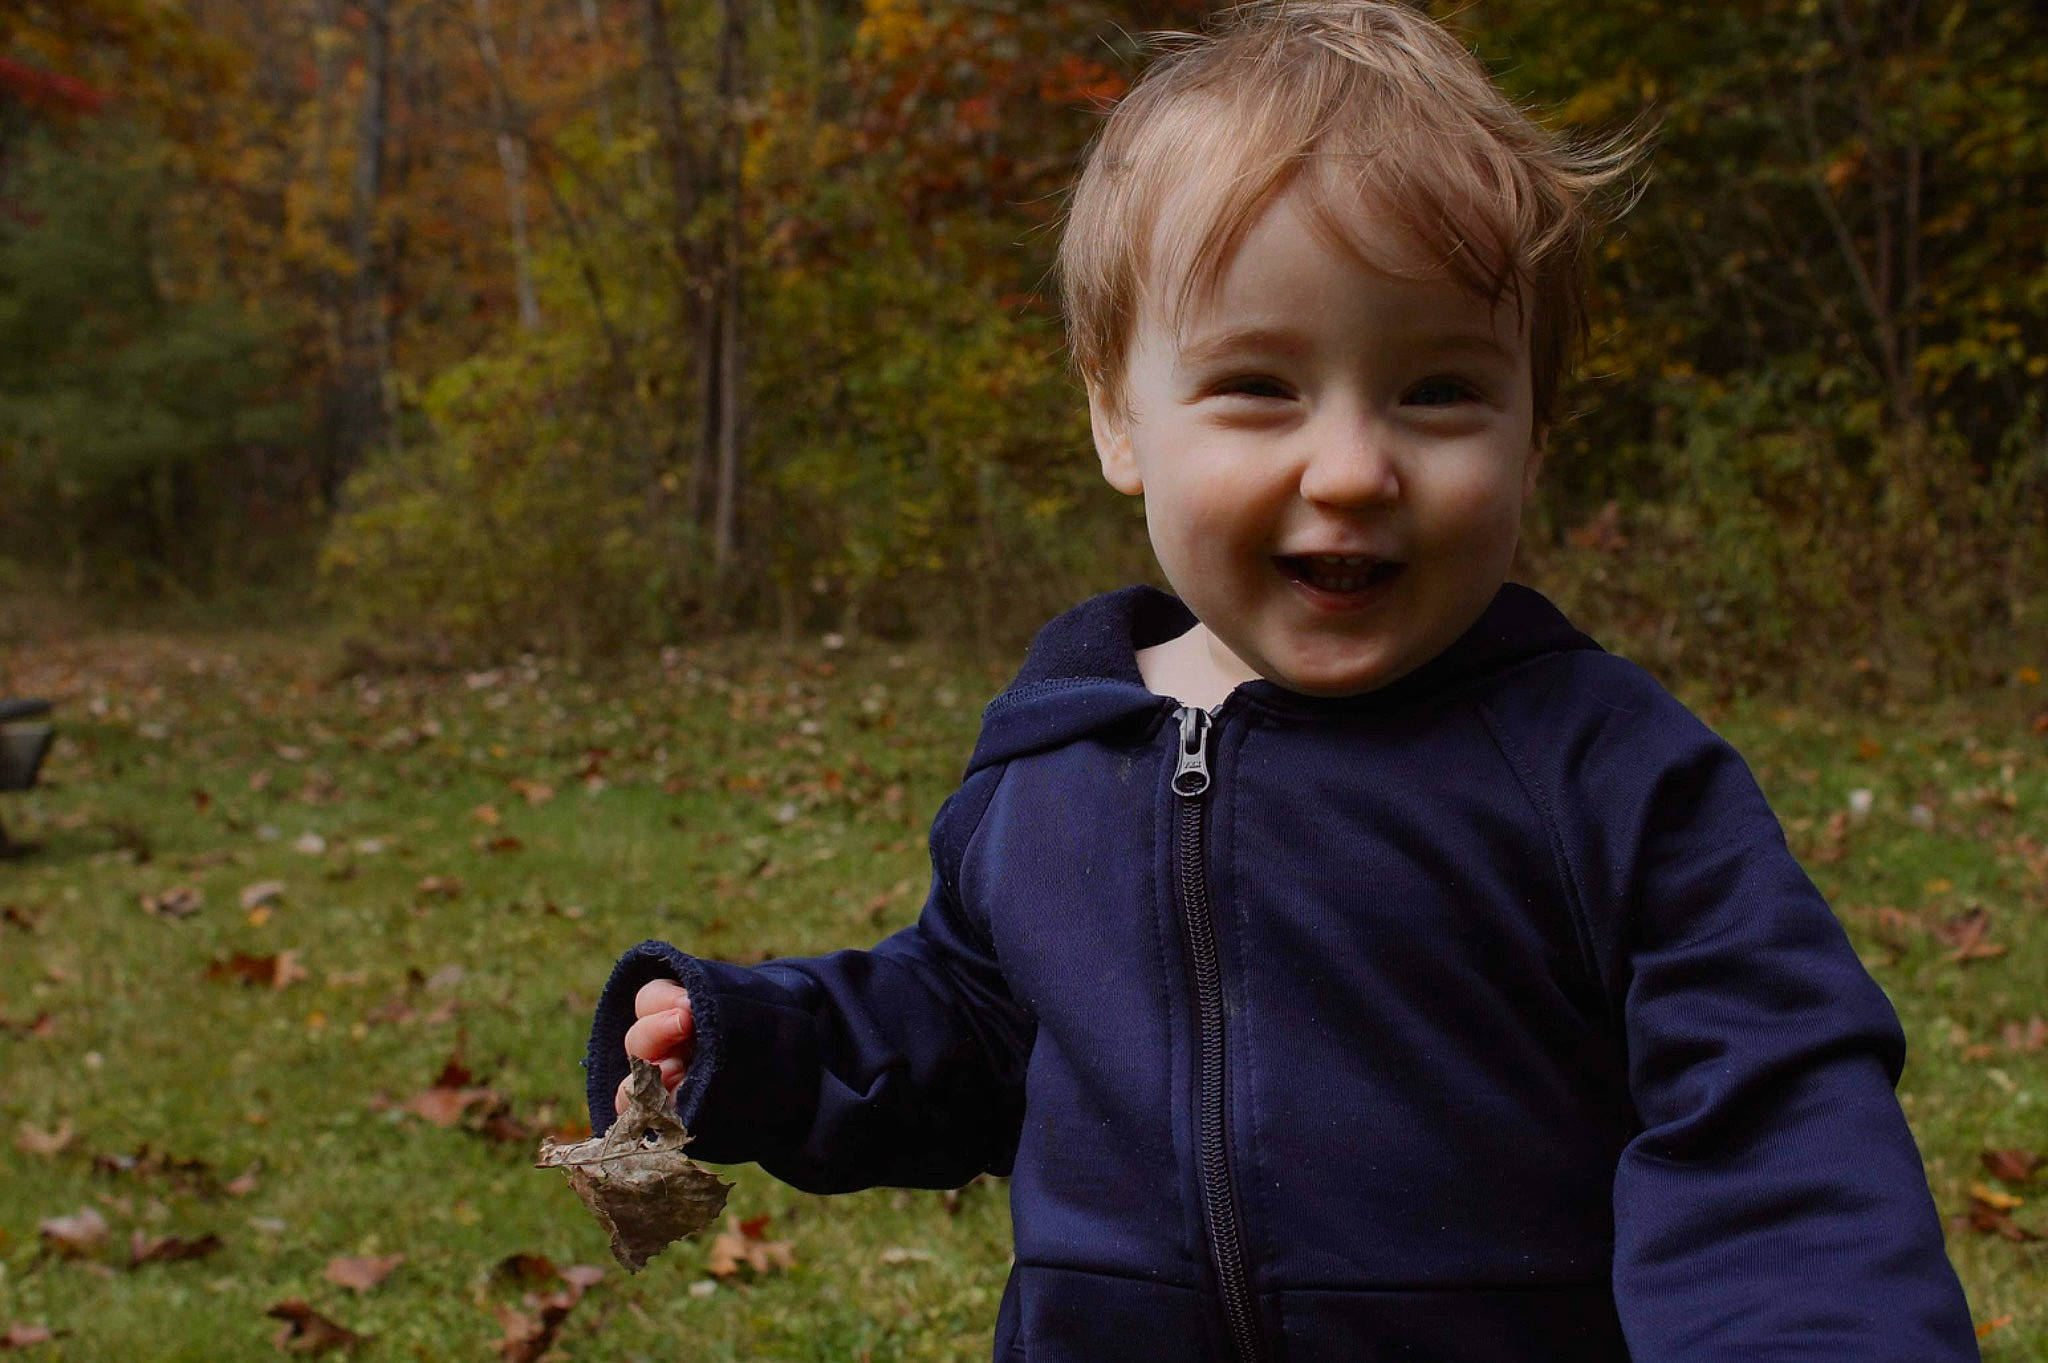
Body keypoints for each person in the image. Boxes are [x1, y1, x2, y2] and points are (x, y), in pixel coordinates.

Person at [581, 3, 1981, 1357]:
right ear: (1118, 413)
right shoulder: (1059, 750)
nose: (1357, 467)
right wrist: (763, 1045)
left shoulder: (1609, 779)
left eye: (1440, 392)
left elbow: (1775, 1135)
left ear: (1536, 432)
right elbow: (976, 1022)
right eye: (1261, 385)